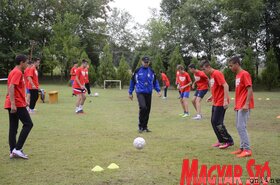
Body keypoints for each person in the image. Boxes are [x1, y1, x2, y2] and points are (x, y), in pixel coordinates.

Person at [4, 55, 33, 159]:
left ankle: (13, 151)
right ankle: (17, 149)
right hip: (16, 103)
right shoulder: (17, 72)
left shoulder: (13, 71)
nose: (27, 64)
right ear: (21, 63)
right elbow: (11, 86)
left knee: (13, 128)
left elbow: (12, 87)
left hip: (15, 102)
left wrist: (23, 100)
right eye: (26, 62)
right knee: (28, 124)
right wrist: (13, 103)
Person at [200, 60, 234, 149]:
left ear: (208, 67)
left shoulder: (217, 73)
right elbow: (217, 87)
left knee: (218, 122)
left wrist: (225, 100)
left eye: (204, 69)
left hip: (221, 102)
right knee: (213, 121)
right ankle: (221, 140)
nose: (204, 72)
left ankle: (228, 141)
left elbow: (225, 85)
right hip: (216, 101)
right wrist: (212, 96)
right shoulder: (211, 76)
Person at [228, 56, 254, 157]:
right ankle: (242, 148)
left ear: (237, 64)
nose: (230, 68)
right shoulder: (238, 75)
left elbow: (250, 89)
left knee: (241, 126)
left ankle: (247, 150)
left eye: (231, 65)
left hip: (244, 105)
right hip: (239, 105)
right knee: (239, 127)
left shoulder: (245, 74)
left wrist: (246, 104)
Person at [129, 56, 161, 133]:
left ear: (149, 62)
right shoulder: (137, 71)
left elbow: (155, 82)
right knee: (143, 107)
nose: (146, 63)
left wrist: (158, 90)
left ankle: (145, 127)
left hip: (149, 93)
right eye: (145, 62)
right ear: (142, 62)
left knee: (147, 110)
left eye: (147, 62)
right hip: (140, 92)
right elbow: (132, 81)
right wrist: (130, 92)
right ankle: (140, 126)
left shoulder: (152, 71)